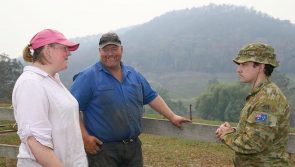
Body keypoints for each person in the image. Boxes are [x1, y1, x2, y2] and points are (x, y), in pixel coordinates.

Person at [70, 32, 190, 167]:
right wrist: (85, 138)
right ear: (99, 51)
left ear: (122, 49)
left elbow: (151, 96)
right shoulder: (87, 77)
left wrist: (172, 116)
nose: (110, 54)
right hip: (103, 150)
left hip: (133, 148)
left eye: (114, 49)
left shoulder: (133, 74)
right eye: (105, 50)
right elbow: (71, 109)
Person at [12, 29, 88, 167]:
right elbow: (36, 143)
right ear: (48, 50)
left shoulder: (52, 80)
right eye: (64, 48)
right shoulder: (31, 84)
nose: (69, 53)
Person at [215, 42, 290, 166]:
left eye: (244, 64)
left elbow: (253, 143)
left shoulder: (268, 100)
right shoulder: (259, 94)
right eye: (239, 64)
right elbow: (258, 132)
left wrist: (226, 134)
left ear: (261, 66)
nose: (238, 70)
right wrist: (234, 131)